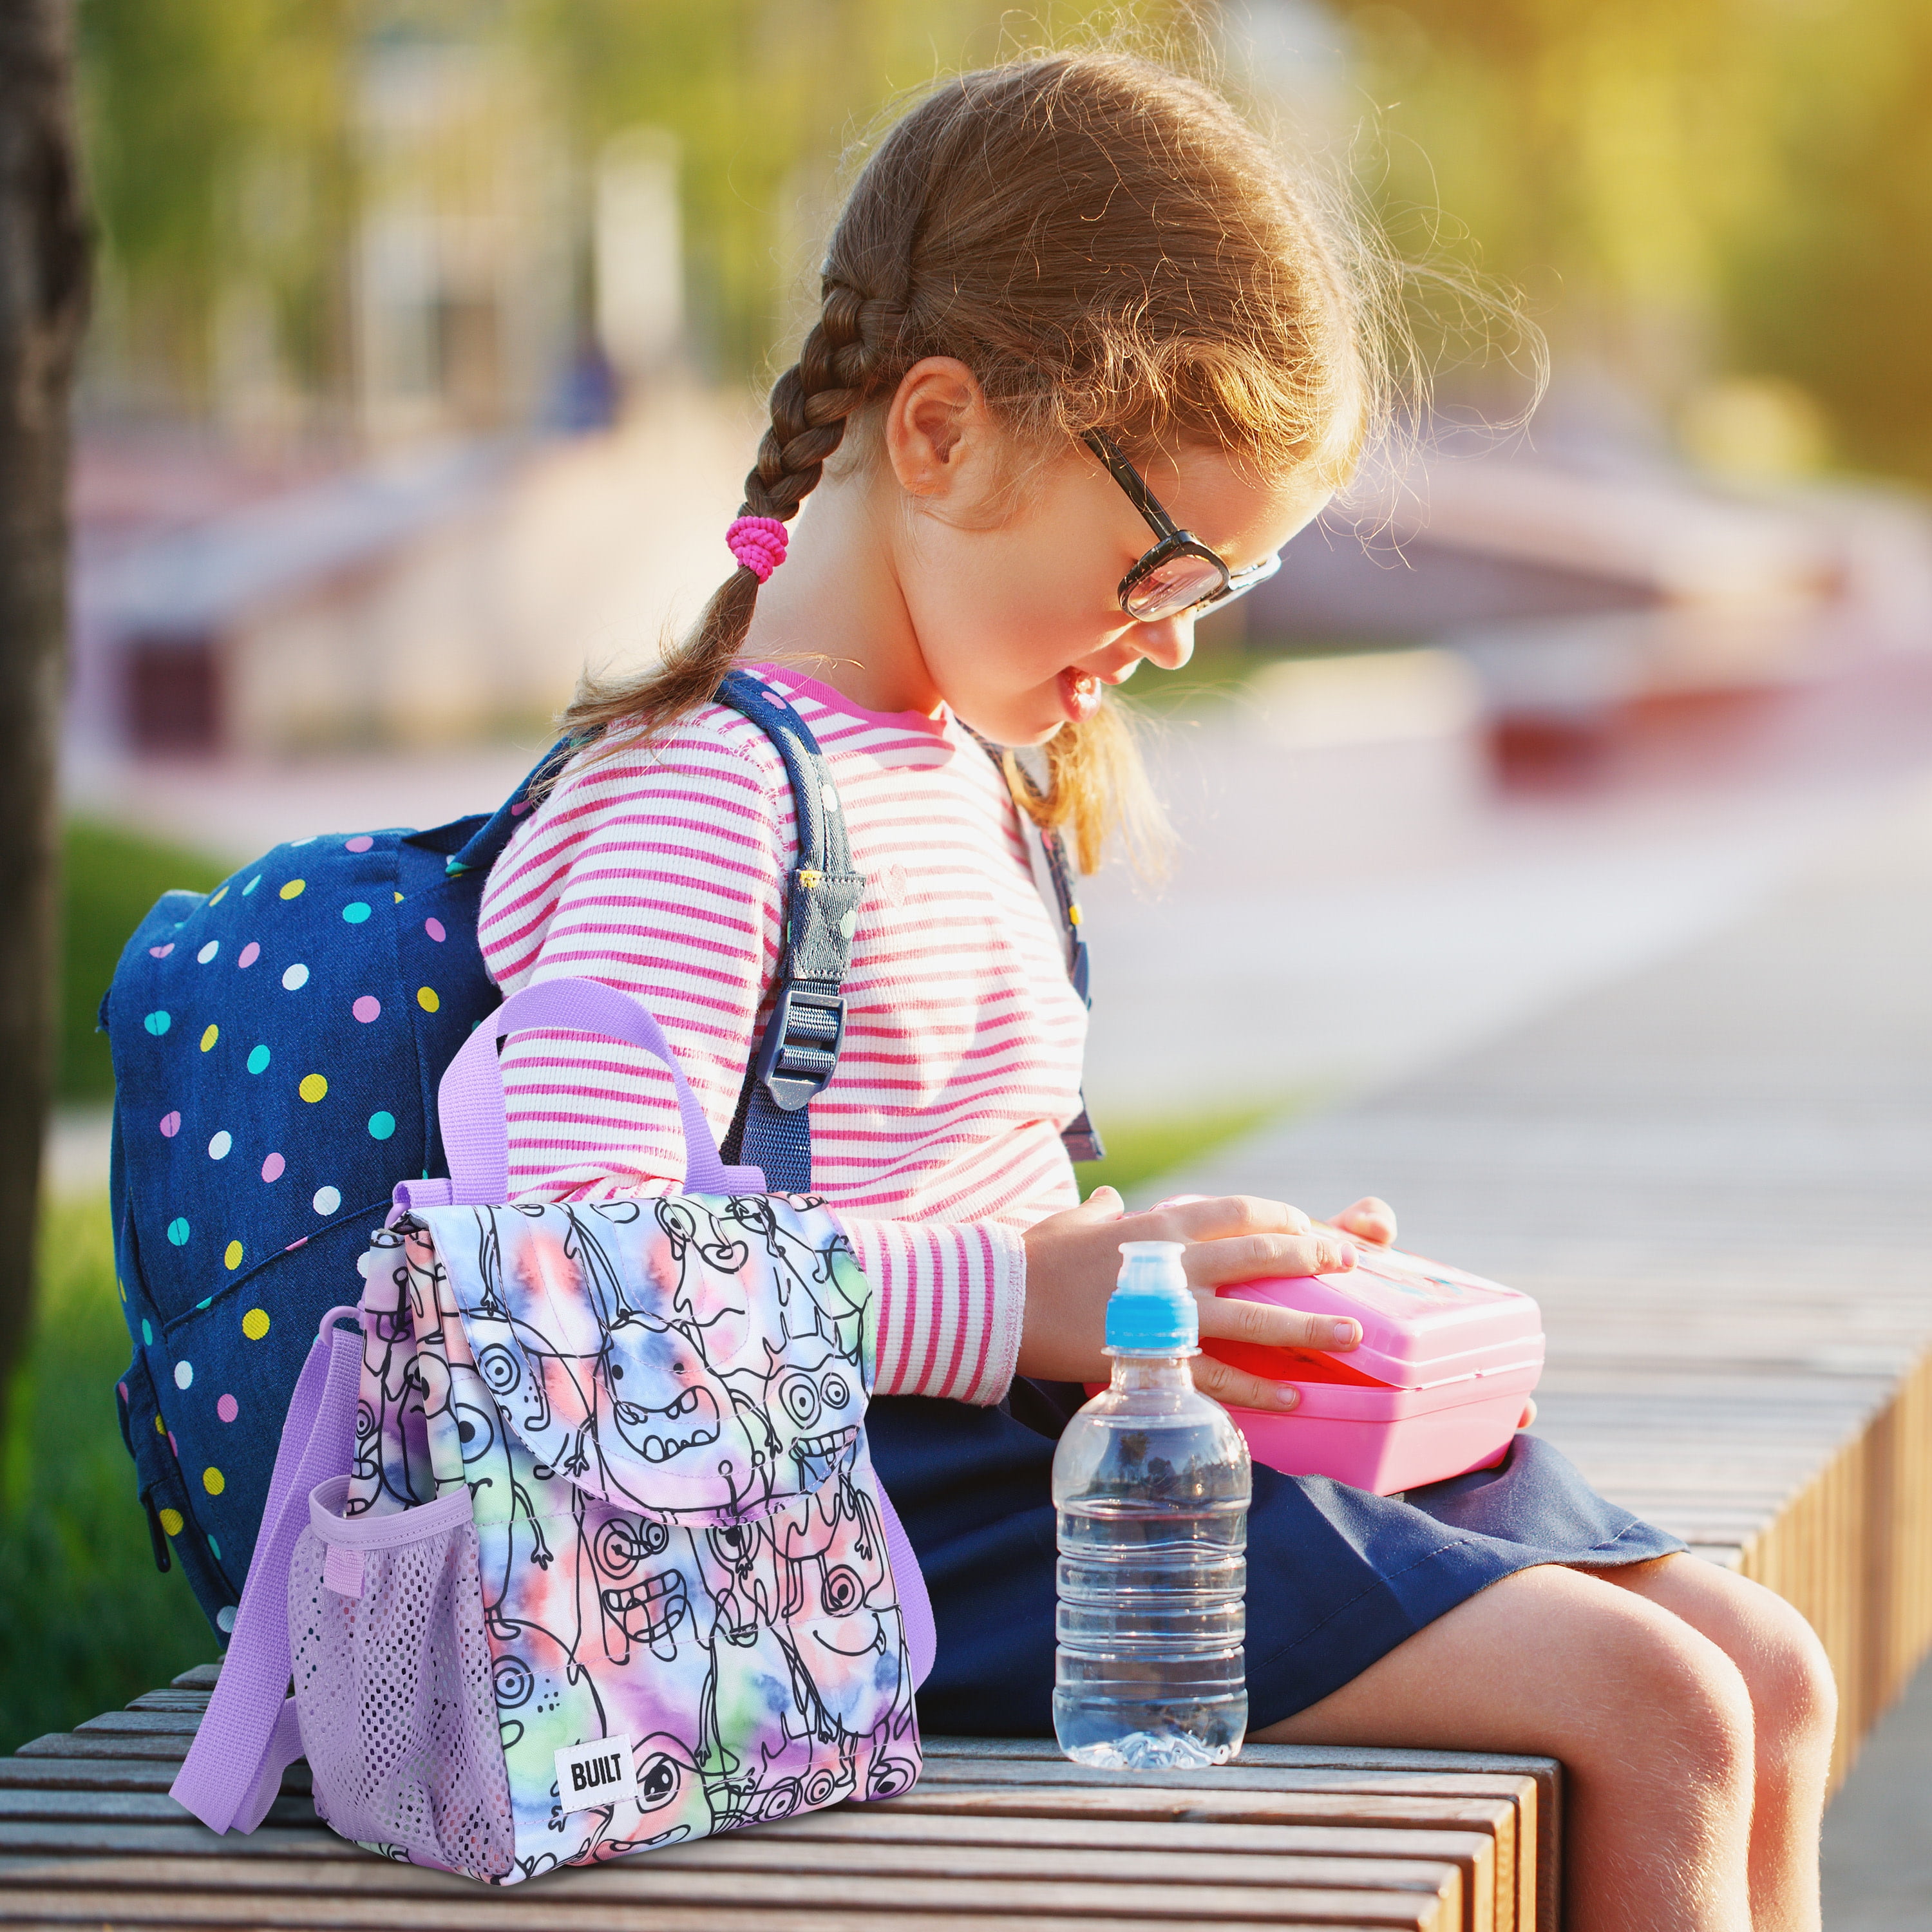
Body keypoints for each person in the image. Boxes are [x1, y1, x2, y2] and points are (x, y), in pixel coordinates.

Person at [477, 51, 1836, 1932]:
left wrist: (1166, 1271)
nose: (1180, 635)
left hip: (1050, 1452)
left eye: (1226, 586)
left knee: (1764, 1665)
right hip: (844, 1528)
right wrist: (1028, 1299)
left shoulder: (960, 761)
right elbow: (568, 1279)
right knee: (1659, 1703)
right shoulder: (705, 793)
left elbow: (953, 1194)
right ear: (941, 435)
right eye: (1162, 563)